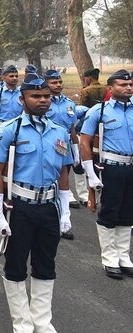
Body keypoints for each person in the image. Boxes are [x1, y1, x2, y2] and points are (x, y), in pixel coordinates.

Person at [0, 73, 73, 332]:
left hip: (48, 206)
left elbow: (63, 173)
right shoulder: (9, 131)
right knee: (15, 265)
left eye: (46, 96)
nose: (43, 100)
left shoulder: (59, 131)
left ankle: (42, 322)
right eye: (36, 96)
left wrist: (66, 210)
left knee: (46, 264)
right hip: (19, 207)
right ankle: (22, 324)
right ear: (22, 99)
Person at [80, 69, 133, 280]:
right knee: (109, 211)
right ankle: (109, 258)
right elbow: (84, 141)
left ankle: (124, 257)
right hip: (111, 167)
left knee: (128, 212)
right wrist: (90, 173)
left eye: (130, 85)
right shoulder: (99, 111)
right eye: (122, 85)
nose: (128, 88)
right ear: (111, 88)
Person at [44, 70, 81, 240]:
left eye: (59, 82)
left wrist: (76, 151)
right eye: (54, 82)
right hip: (47, 145)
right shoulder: (42, 102)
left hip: (64, 145)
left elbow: (73, 129)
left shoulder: (69, 104)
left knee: (64, 181)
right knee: (49, 183)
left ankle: (64, 220)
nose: (58, 85)